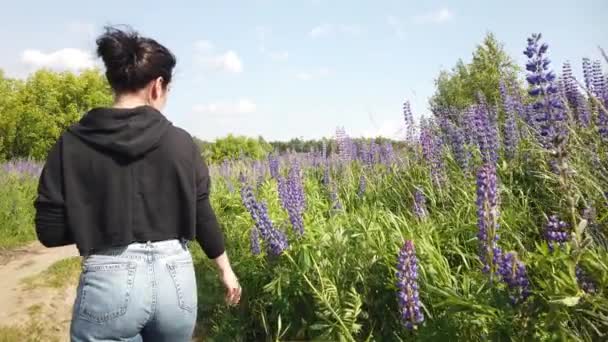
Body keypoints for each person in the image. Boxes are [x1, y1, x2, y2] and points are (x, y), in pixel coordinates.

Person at [33, 25, 241, 341]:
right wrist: (225, 270)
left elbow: (49, 231)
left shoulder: (72, 143)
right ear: (157, 86)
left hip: (109, 280)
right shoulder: (182, 144)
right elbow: (203, 215)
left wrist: (98, 221)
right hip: (177, 280)